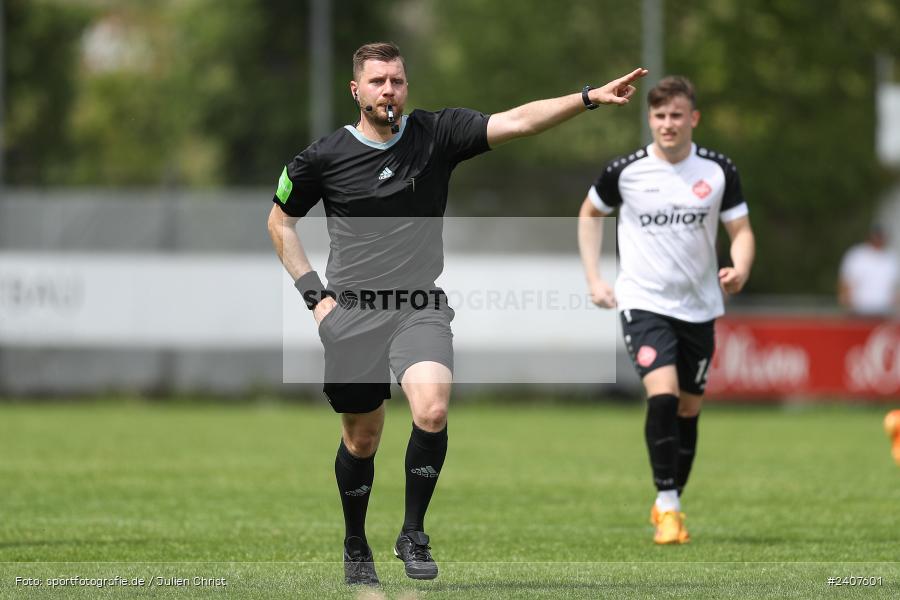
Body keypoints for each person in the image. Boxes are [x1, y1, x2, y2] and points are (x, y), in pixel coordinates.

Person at [268, 41, 647, 586]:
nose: (388, 91)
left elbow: (517, 122)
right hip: (350, 314)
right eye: (377, 82)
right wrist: (315, 297)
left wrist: (587, 97)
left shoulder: (436, 133)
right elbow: (279, 222)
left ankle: (412, 532)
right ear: (356, 90)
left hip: (419, 305)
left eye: (396, 80)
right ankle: (355, 542)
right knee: (362, 440)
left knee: (432, 409)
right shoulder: (323, 157)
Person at [577, 75, 755, 545]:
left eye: (676, 115)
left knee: (689, 410)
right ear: (649, 119)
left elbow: (741, 230)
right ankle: (671, 507)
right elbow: (590, 214)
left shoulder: (718, 170)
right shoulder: (626, 170)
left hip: (699, 306)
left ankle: (667, 501)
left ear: (692, 118)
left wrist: (740, 267)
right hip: (643, 302)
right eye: (658, 116)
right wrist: (595, 278)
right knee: (663, 395)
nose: (667, 123)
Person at [838, 224, 899, 317]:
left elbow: (895, 287)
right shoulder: (857, 255)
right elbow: (846, 283)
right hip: (859, 311)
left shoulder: (891, 258)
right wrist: (847, 306)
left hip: (885, 312)